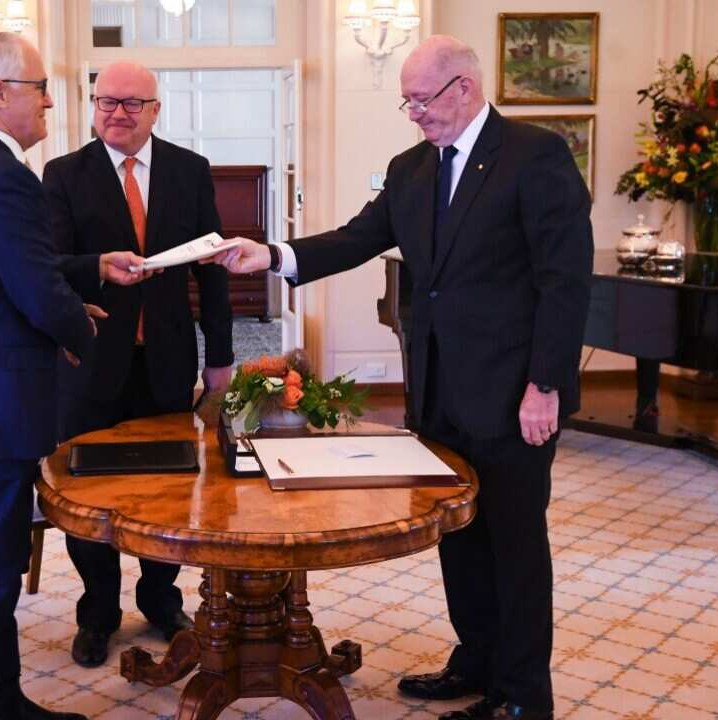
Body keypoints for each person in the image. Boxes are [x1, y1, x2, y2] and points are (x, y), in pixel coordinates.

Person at [207, 36, 592, 720]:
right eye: (406, 102)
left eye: (422, 100)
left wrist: (546, 386)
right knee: (460, 536)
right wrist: (270, 255)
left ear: (464, 88)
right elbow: (356, 238)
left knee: (514, 547)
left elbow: (564, 281)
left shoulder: (535, 156)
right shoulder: (411, 168)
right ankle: (475, 662)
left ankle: (522, 697)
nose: (414, 113)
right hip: (438, 388)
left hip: (513, 393)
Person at [0, 32, 148, 720]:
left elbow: (13, 267)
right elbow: (38, 292)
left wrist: (87, 269)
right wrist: (82, 332)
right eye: (40, 88)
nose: (49, 102)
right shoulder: (3, 176)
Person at [43, 61, 234, 668]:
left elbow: (212, 268)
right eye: (107, 101)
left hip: (167, 360)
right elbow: (48, 264)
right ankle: (98, 610)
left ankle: (159, 599)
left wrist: (221, 357)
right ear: (93, 105)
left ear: (155, 110)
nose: (117, 113)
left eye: (132, 103)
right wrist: (96, 264)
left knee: (169, 489)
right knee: (88, 493)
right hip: (90, 358)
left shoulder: (189, 170)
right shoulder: (63, 174)